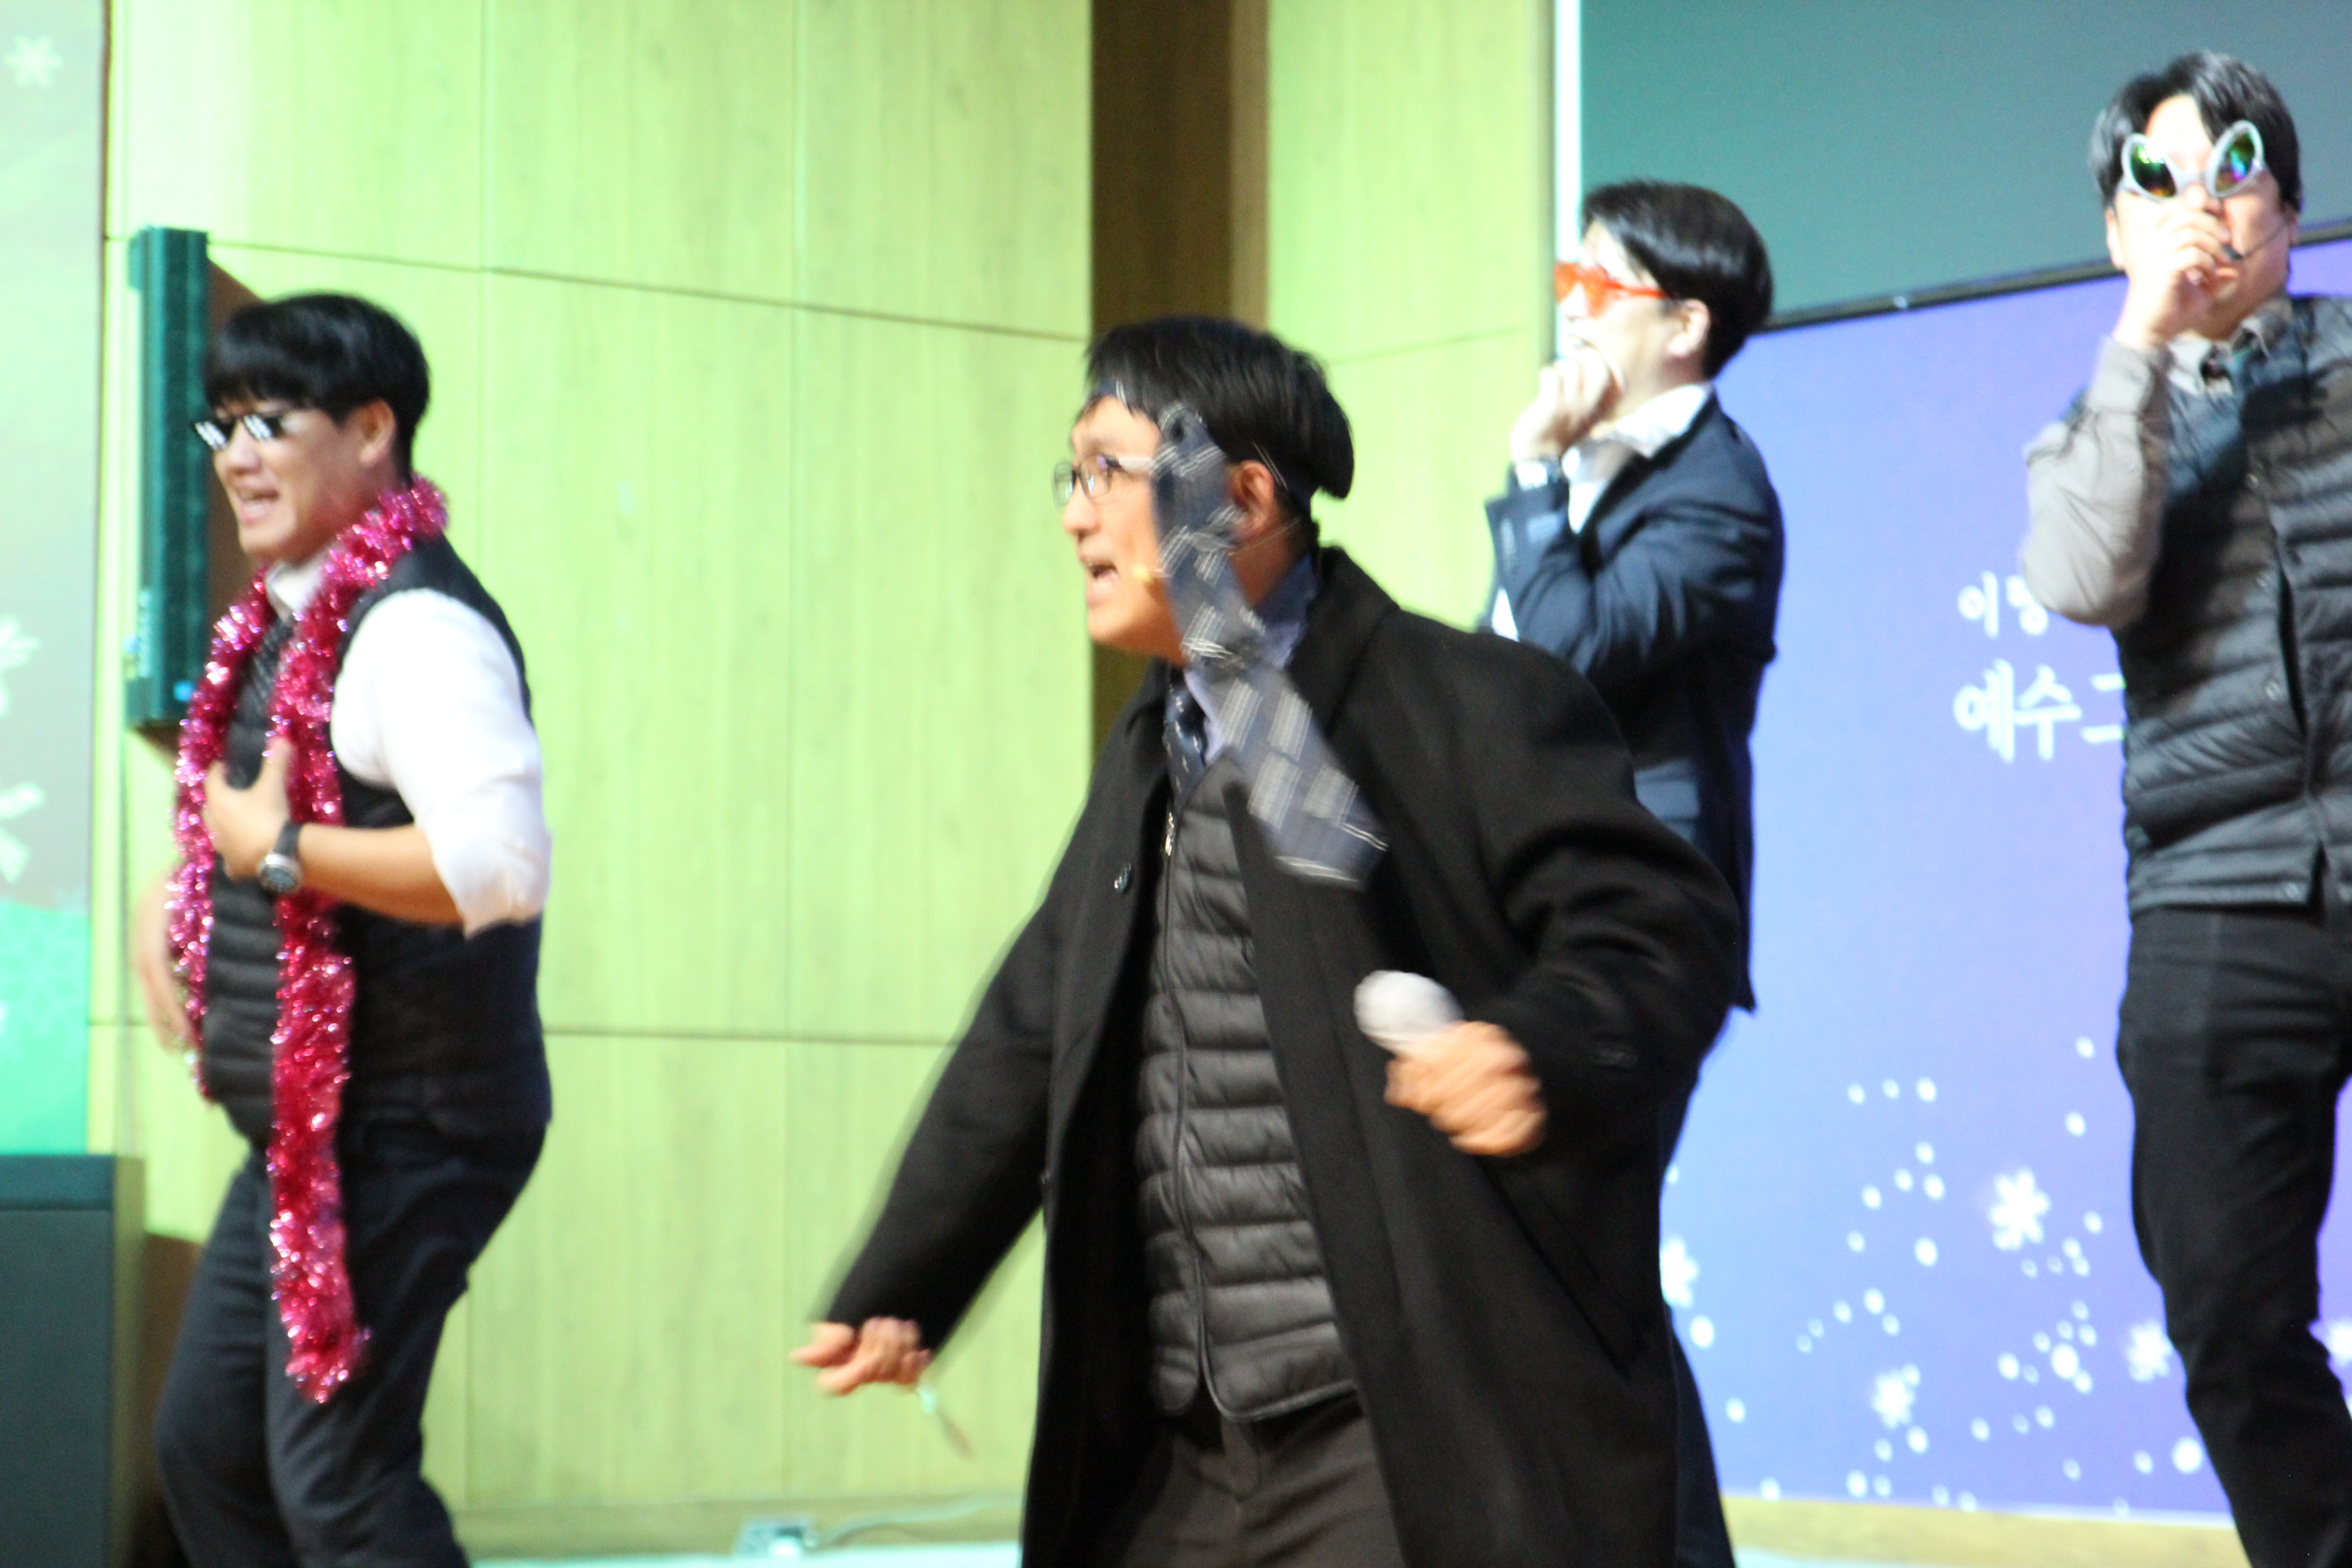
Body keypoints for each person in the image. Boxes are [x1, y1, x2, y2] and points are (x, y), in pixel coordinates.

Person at [796, 316, 1740, 1567]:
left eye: (1108, 470)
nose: (1075, 515)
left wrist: (1537, 1048)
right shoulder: (1160, 748)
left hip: (1392, 1432)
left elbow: (1663, 931)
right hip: (1181, 1436)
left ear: (1241, 499)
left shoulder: (1463, 703)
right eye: (1071, 474)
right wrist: (911, 1274)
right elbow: (1033, 1034)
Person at [131, 293, 552, 1567]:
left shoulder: (415, 624)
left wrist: (280, 856)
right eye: (223, 426)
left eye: (270, 422)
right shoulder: (289, 614)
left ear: (373, 431)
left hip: (414, 1125)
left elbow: (498, 867)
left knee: (339, 1487)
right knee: (210, 1452)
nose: (237, 457)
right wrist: (182, 890)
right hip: (312, 1135)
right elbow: (263, 814)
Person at [2020, 52, 2352, 1568]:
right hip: (2217, 899)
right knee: (2225, 1305)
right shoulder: (2097, 417)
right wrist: (2144, 347)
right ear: (2115, 230)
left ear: (2289, 204)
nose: (2200, 210)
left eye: (2232, 173)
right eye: (2156, 184)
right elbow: (2083, 578)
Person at [1477, 179, 1780, 1568]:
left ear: (1685, 324)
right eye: (1570, 280)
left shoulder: (1721, 493)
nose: (1573, 310)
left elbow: (1571, 655)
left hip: (1643, 931)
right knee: (1557, 1261)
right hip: (1532, 909)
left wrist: (1533, 476)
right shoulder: (1599, 470)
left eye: (1599, 287)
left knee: (1581, 1253)